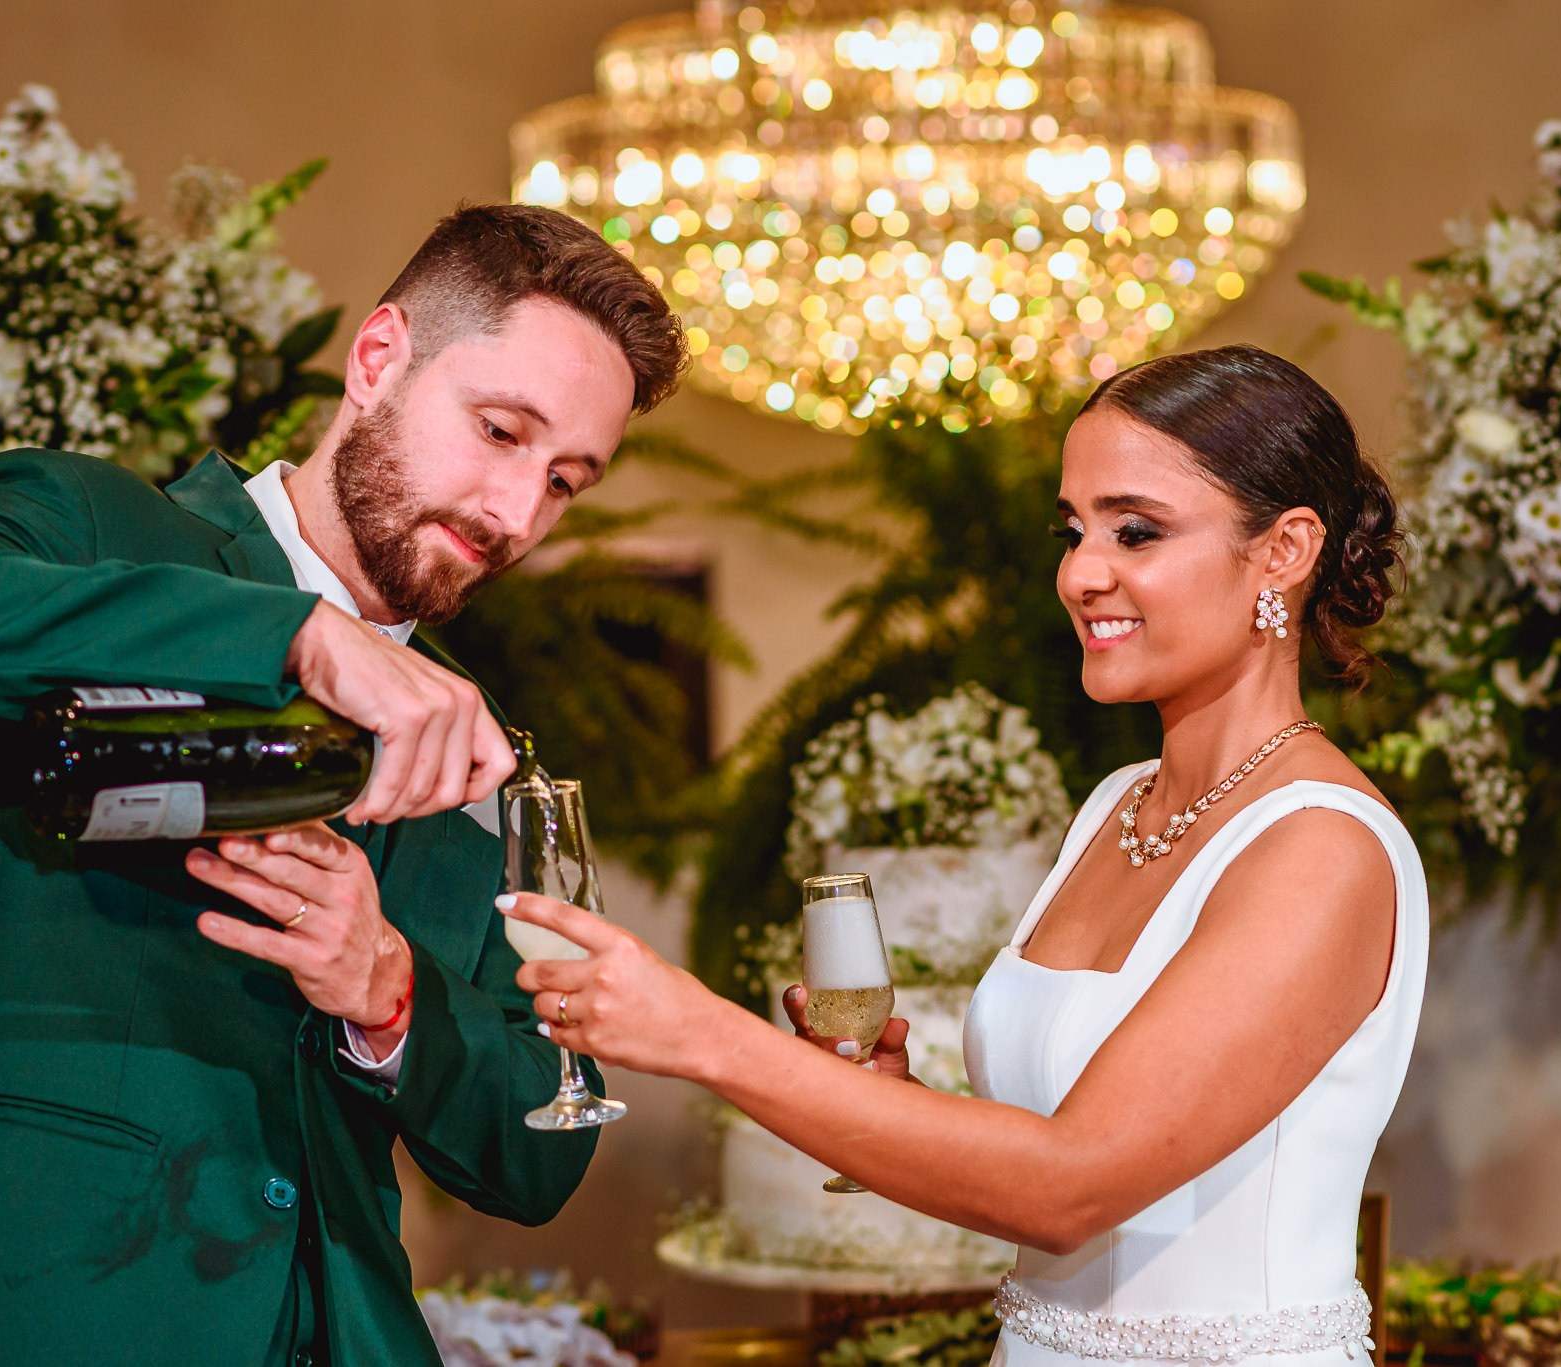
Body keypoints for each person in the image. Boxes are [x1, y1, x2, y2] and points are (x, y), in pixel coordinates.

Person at [0, 203, 686, 1367]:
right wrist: (290, 633)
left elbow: (538, 1149)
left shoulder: (483, 753)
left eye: (565, 480)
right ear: (377, 359)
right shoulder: (85, 525)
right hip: (25, 1314)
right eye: (499, 431)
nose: (517, 516)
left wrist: (391, 993)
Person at [503, 345, 1424, 1367]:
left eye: (1135, 530)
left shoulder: (1319, 845)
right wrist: (881, 1101)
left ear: (1285, 547)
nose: (1080, 573)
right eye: (1070, 531)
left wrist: (701, 1033)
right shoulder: (1115, 806)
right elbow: (1042, 1157)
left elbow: (1069, 1185)